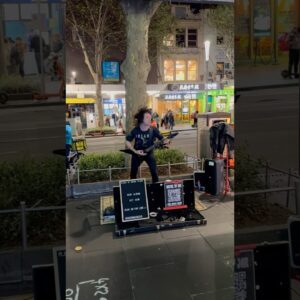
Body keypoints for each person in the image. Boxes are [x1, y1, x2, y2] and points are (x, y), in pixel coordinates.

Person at [125, 107, 166, 183]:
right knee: (133, 172)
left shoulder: (153, 129)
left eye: (150, 117)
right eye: (147, 117)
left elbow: (162, 139)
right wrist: (134, 151)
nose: (150, 119)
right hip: (137, 154)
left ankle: (156, 188)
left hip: (149, 153)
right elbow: (127, 141)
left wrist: (166, 141)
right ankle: (133, 189)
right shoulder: (135, 130)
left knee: (154, 172)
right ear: (141, 119)